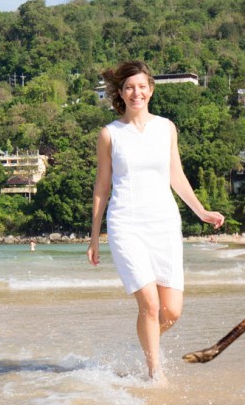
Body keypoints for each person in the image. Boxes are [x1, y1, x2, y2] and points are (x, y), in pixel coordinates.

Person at [87, 60, 225, 381]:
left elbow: (176, 175)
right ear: (121, 93)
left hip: (163, 223)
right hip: (126, 224)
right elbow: (102, 187)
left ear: (150, 89)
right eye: (129, 87)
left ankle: (144, 345)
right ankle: (155, 373)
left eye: (142, 86)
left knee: (171, 311)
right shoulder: (110, 135)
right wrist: (95, 236)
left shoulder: (166, 128)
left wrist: (201, 212)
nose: (137, 92)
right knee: (149, 304)